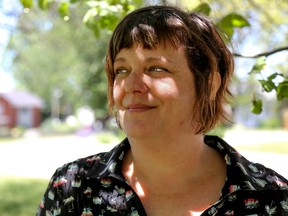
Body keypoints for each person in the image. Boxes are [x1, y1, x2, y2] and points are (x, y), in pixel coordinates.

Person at [36, 5, 288, 216]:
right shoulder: (72, 188)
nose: (131, 86)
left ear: (210, 83)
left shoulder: (272, 197)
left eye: (156, 68)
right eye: (121, 70)